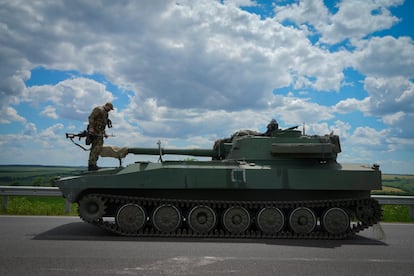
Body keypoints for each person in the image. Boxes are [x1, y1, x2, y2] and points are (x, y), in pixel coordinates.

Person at [87, 102, 114, 171]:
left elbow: (103, 124)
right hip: (94, 132)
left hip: (100, 133)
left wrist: (104, 133)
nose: (110, 110)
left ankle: (94, 163)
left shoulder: (106, 113)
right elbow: (91, 117)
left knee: (98, 148)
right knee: (95, 148)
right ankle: (91, 165)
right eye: (110, 108)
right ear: (107, 106)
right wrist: (91, 127)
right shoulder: (98, 109)